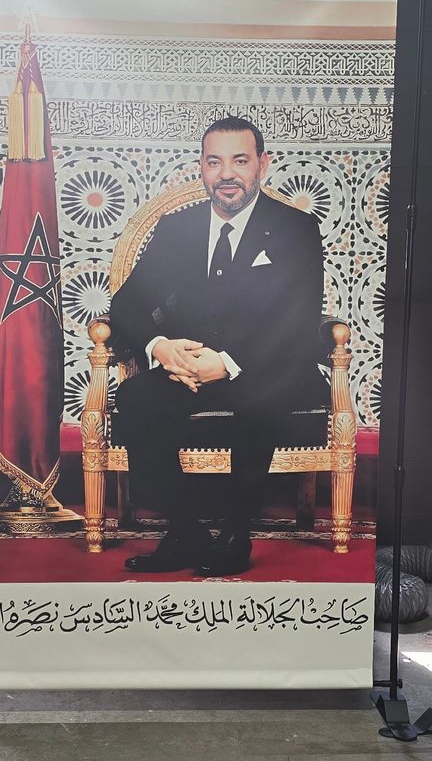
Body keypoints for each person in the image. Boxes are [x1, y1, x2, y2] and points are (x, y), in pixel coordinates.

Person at [107, 115, 327, 576]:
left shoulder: (296, 229)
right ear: (202, 169)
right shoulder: (176, 228)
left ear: (261, 165)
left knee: (259, 398)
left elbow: (297, 319)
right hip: (186, 365)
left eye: (239, 160)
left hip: (265, 365)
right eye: (215, 162)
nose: (227, 173)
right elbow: (126, 304)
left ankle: (235, 533)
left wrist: (226, 363)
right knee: (136, 397)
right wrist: (161, 346)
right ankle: (184, 529)